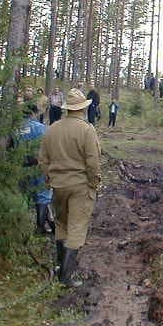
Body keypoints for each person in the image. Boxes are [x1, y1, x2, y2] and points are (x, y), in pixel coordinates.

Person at [39, 88, 101, 287]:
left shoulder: (52, 128)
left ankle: (59, 265)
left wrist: (49, 179)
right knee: (76, 228)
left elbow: (43, 159)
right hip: (80, 186)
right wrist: (93, 183)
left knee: (61, 225)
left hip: (58, 186)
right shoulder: (87, 130)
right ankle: (65, 277)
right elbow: (93, 161)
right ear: (82, 108)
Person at [19, 103, 55, 234]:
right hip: (40, 166)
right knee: (43, 196)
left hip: (21, 167)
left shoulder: (14, 129)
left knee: (23, 195)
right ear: (33, 113)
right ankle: (40, 227)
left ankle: (21, 226)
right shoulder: (42, 129)